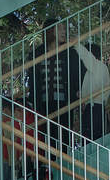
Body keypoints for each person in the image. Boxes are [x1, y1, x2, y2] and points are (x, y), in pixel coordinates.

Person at [25, 17, 82, 149]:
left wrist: (78, 91)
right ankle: (50, 162)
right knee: (47, 139)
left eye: (64, 29)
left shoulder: (69, 51)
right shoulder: (36, 54)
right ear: (51, 31)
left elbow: (78, 73)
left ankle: (65, 160)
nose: (64, 32)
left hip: (65, 103)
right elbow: (33, 79)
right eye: (60, 28)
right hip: (43, 105)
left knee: (65, 138)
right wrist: (33, 100)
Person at [75, 40, 110, 142]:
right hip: (97, 108)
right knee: (95, 139)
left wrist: (75, 44)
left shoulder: (96, 66)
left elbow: (85, 56)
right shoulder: (99, 69)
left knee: (89, 140)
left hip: (94, 109)